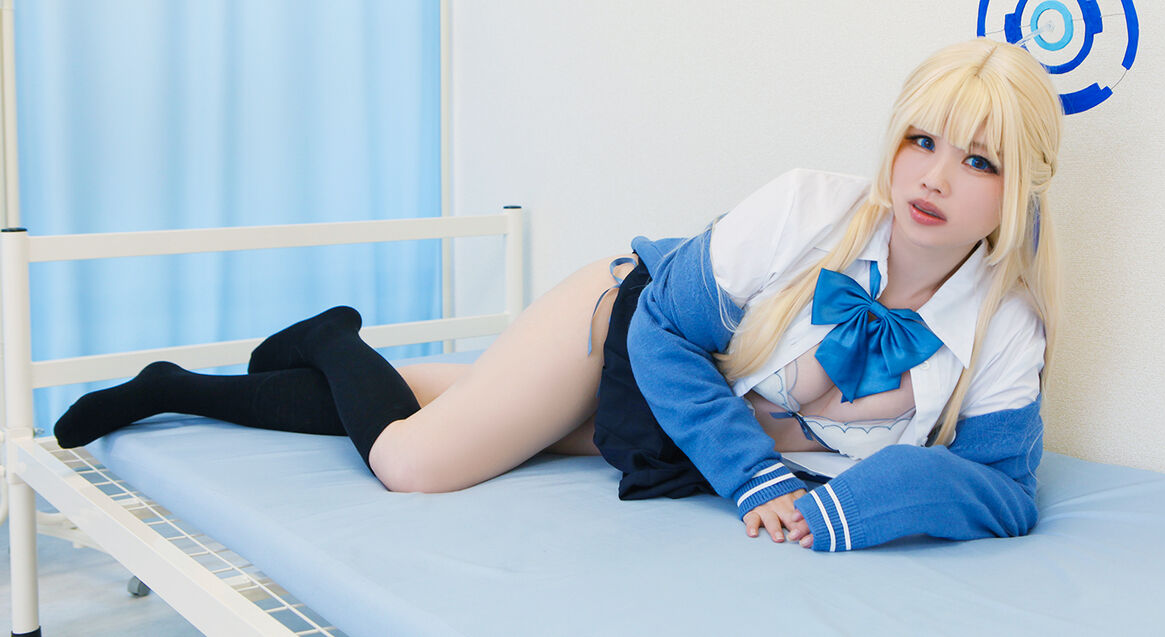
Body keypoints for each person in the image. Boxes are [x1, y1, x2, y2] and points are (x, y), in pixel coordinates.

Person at [55, 37, 1062, 553]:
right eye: (920, 140)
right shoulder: (809, 207)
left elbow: (1001, 490)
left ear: (1017, 189)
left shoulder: (1001, 330)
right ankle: (330, 339)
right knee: (411, 461)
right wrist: (756, 478)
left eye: (977, 160)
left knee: (435, 398)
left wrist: (858, 508)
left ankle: (171, 386)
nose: (934, 177)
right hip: (626, 334)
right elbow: (663, 327)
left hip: (682, 427)